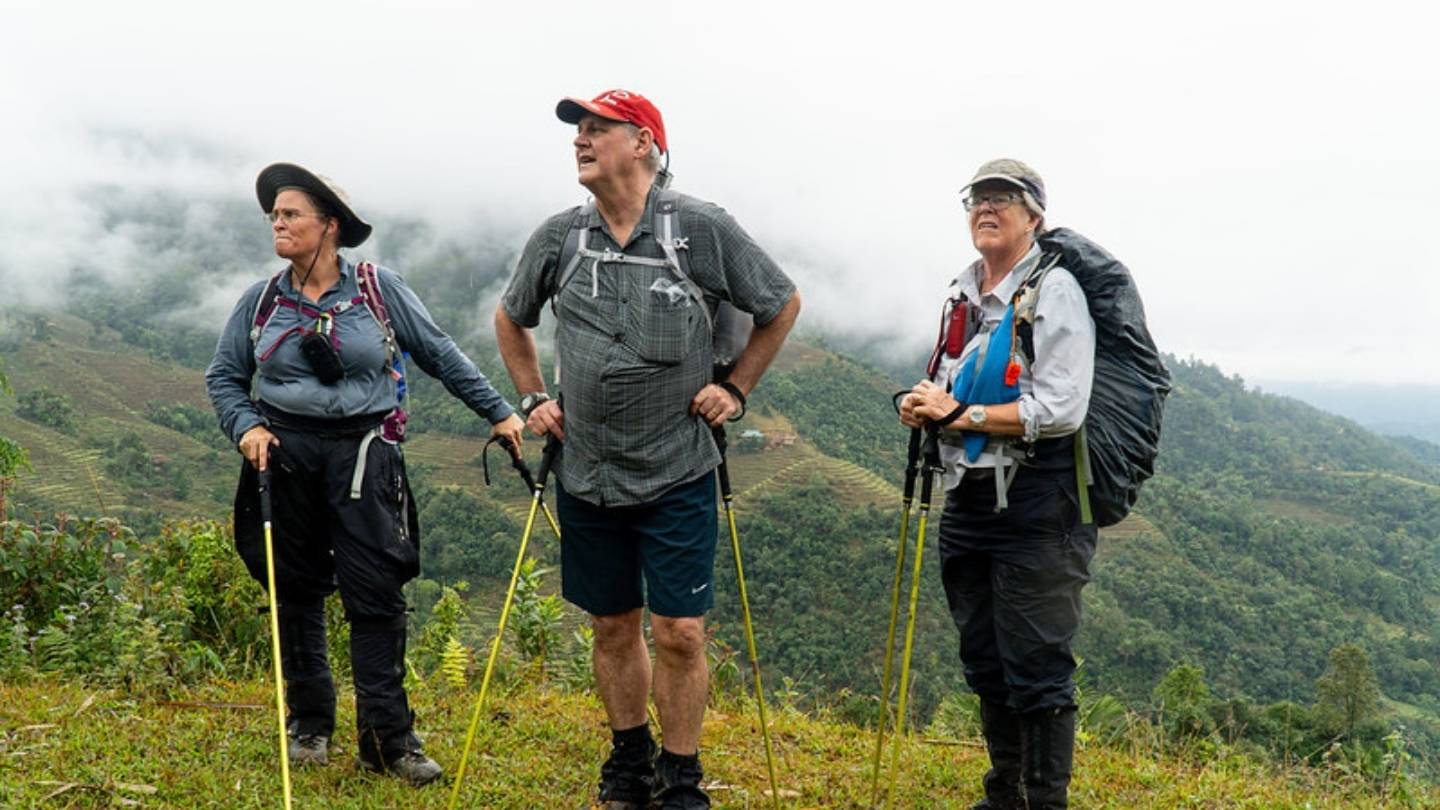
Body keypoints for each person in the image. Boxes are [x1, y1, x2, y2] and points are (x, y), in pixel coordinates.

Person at [494, 89, 800, 809]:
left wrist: (738, 389)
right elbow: (512, 319)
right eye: (579, 130)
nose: (581, 140)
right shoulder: (559, 237)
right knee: (611, 623)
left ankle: (682, 774)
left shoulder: (700, 227)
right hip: (588, 468)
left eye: (598, 129)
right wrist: (535, 399)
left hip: (679, 466)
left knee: (682, 631)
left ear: (644, 144)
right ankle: (629, 761)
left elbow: (779, 303)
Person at [205, 163, 524, 786]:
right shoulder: (263, 300)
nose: (278, 221)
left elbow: (438, 352)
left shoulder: (377, 291)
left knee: (375, 594)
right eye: (275, 213)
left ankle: (387, 739)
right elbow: (224, 376)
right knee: (295, 590)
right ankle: (309, 725)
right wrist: (247, 427)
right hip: (284, 456)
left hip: (364, 455)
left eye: (291, 213)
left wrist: (498, 412)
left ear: (330, 226)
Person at [900, 159, 1096, 810]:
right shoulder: (962, 293)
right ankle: (1002, 794)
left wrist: (964, 416)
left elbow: (1062, 407)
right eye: (977, 198)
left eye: (1003, 199)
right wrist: (928, 402)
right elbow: (958, 380)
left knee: (1037, 663)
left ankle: (1045, 803)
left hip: (1040, 501)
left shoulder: (1056, 289)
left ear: (1034, 216)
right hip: (970, 494)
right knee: (984, 655)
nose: (986, 207)